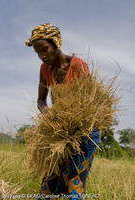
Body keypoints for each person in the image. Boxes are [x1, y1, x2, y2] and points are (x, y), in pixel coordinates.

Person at [25, 23, 101, 200]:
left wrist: (70, 120)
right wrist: (50, 117)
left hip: (85, 133)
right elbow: (41, 101)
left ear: (56, 43)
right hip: (60, 135)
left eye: (45, 49)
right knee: (48, 187)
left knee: (74, 185)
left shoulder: (78, 66)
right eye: (38, 53)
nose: (42, 56)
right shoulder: (45, 70)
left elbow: (89, 102)